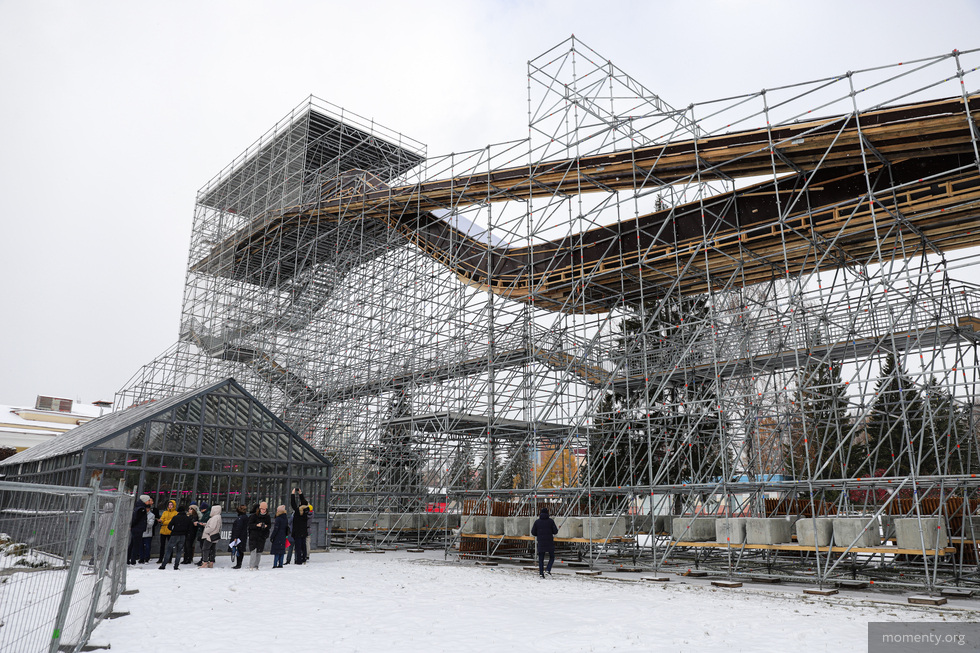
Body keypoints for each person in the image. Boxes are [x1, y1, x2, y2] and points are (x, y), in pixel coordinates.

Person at [160, 505, 194, 570]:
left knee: (169, 550)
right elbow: (190, 528)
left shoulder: (175, 518)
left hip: (174, 535)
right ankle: (176, 566)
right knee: (179, 551)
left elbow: (169, 526)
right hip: (183, 536)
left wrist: (174, 530)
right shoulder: (187, 518)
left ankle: (163, 565)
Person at [531, 508, 558, 578]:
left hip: (541, 541)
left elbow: (533, 532)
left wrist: (539, 534)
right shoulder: (551, 521)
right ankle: (548, 569)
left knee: (541, 559)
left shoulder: (537, 522)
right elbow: (555, 531)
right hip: (549, 541)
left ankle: (541, 573)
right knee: (552, 557)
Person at [246, 502, 271, 569]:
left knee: (259, 552)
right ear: (259, 509)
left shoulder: (267, 517)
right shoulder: (254, 516)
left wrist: (266, 526)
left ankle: (256, 565)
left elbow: (269, 526)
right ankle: (251, 565)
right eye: (262, 509)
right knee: (253, 551)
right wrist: (257, 525)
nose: (263, 510)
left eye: (264, 509)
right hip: (254, 536)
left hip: (262, 536)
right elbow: (249, 525)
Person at [128, 494, 151, 565]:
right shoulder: (142, 509)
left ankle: (128, 558)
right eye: (148, 500)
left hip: (136, 528)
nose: (149, 502)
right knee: (136, 545)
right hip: (138, 529)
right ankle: (133, 560)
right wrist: (134, 525)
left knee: (132, 544)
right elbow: (136, 519)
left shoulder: (138, 507)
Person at [290, 488, 310, 565]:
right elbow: (304, 502)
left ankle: (298, 560)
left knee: (298, 546)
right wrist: (301, 494)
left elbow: (293, 503)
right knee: (303, 545)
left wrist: (293, 494)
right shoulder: (307, 510)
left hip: (297, 531)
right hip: (304, 531)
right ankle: (304, 558)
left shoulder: (298, 511)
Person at [199, 504, 222, 568]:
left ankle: (205, 562)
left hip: (210, 535)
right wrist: (205, 524)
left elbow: (211, 527)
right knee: (212, 549)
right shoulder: (218, 517)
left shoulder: (214, 518)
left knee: (205, 548)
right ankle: (211, 562)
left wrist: (206, 530)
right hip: (215, 535)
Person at [157, 500, 178, 564]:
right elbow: (162, 519)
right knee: (162, 546)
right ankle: (160, 558)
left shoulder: (175, 513)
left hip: (170, 531)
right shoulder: (165, 512)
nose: (170, 506)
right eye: (169, 505)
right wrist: (161, 521)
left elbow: (172, 521)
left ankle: (169, 559)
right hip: (163, 531)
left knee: (170, 546)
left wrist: (164, 522)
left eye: (171, 505)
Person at [230, 504, 249, 569]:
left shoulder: (240, 518)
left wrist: (235, 537)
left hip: (239, 536)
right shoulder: (245, 517)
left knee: (238, 550)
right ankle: (239, 563)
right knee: (240, 550)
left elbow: (238, 528)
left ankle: (238, 564)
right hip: (243, 536)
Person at [140, 497, 159, 563]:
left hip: (148, 532)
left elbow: (150, 524)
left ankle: (146, 558)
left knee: (147, 546)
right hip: (141, 532)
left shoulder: (152, 515)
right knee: (141, 546)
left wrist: (144, 522)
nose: (147, 509)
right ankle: (141, 558)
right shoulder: (141, 514)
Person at [195, 502, 211, 566]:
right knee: (204, 547)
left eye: (202, 509)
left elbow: (205, 523)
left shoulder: (207, 514)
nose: (201, 511)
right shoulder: (206, 514)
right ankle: (205, 559)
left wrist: (199, 523)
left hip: (204, 532)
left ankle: (204, 560)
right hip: (203, 532)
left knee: (204, 547)